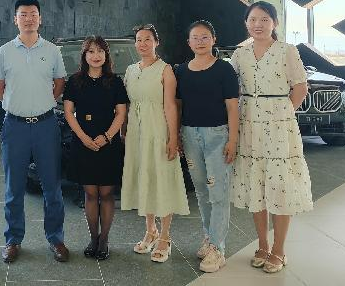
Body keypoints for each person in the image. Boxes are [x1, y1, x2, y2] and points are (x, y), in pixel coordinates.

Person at [230, 1, 312, 273]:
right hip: (249, 126)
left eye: (265, 19)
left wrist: (283, 114)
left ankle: (279, 249)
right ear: (246, 23)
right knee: (257, 185)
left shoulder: (287, 51)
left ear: (275, 23)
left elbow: (300, 87)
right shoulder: (240, 54)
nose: (258, 24)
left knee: (280, 186)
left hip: (279, 127)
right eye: (253, 19)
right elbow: (230, 88)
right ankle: (263, 245)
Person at [0, 0, 69, 263]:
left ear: (40, 18)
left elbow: (59, 83)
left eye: (33, 14)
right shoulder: (4, 52)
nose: (28, 18)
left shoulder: (52, 50)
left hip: (46, 126)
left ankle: (56, 238)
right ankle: (13, 239)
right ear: (15, 19)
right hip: (15, 127)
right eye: (23, 14)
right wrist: (16, 106)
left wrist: (44, 102)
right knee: (13, 188)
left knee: (52, 187)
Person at [121, 23, 189, 263]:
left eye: (147, 39)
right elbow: (128, 103)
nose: (143, 44)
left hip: (158, 129)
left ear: (156, 42)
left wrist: (173, 137)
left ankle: (165, 237)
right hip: (136, 132)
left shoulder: (165, 69)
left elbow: (170, 106)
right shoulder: (130, 70)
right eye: (139, 39)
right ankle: (151, 230)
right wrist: (124, 127)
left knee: (162, 178)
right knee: (145, 177)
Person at [175, 20, 239, 273]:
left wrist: (232, 139)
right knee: (202, 192)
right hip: (190, 135)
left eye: (205, 37)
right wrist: (177, 134)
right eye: (195, 37)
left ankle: (217, 248)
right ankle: (210, 237)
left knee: (218, 193)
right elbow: (178, 106)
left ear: (213, 39)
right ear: (188, 42)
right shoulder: (181, 71)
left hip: (218, 135)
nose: (200, 41)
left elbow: (232, 107)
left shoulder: (224, 69)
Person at [63, 36, 128, 260]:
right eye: (91, 51)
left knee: (106, 193)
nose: (96, 55)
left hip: (108, 143)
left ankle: (104, 240)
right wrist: (83, 137)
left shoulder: (115, 81)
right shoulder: (75, 81)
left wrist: (107, 137)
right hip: (83, 143)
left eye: (100, 51)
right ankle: (93, 238)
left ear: (106, 55)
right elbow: (68, 112)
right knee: (90, 194)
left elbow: (121, 113)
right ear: (84, 55)